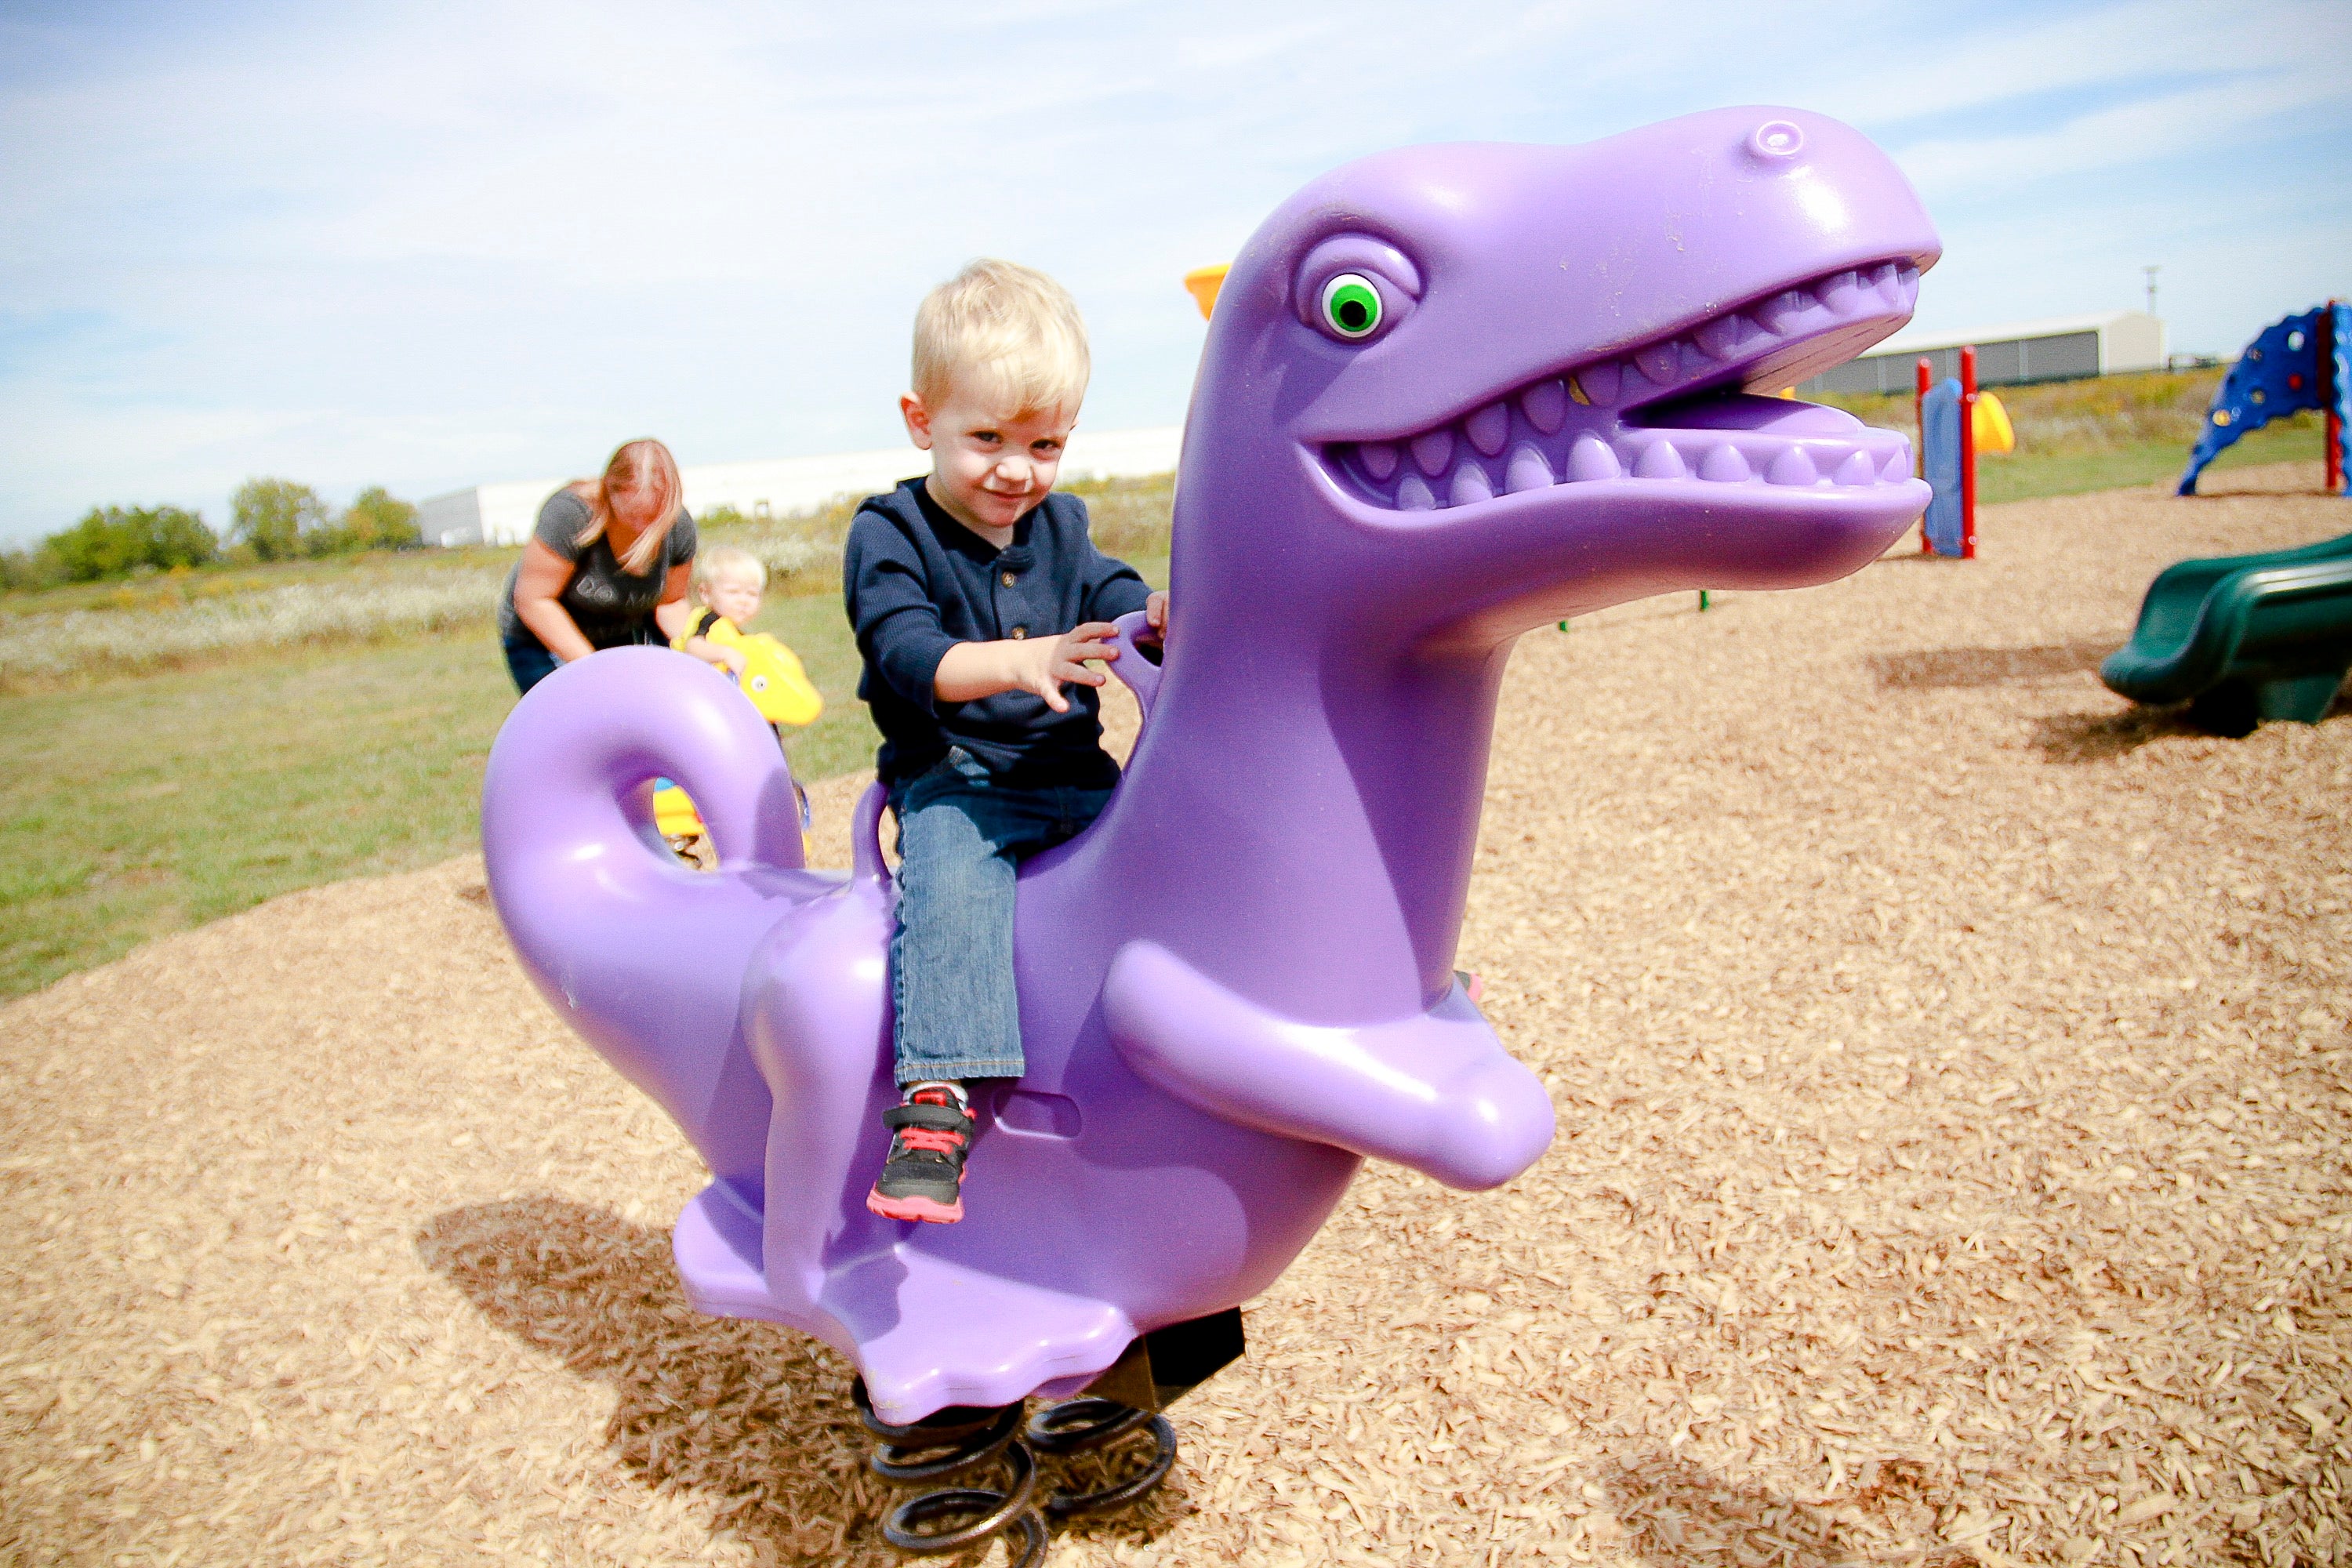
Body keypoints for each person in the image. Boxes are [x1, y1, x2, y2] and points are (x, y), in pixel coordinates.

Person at [845, 259, 1166, 1225]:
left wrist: (1154, 610)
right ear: (920, 420)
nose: (1016, 469)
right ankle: (937, 1105)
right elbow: (909, 653)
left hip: (1073, 771)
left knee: (1178, 837)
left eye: (1044, 443)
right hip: (961, 777)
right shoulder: (890, 530)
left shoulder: (1059, 522)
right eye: (986, 438)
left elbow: (1109, 592)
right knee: (950, 883)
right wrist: (1015, 663)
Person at [499, 438, 698, 694]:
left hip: (623, 630)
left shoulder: (678, 527)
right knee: (578, 723)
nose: (641, 529)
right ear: (609, 492)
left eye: (652, 518)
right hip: (543, 638)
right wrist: (599, 671)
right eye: (631, 516)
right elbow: (534, 601)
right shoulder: (571, 515)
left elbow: (670, 603)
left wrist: (695, 649)